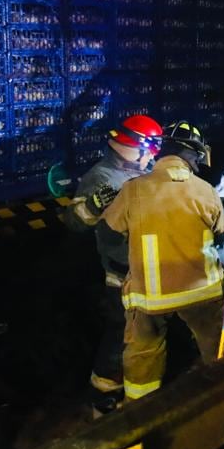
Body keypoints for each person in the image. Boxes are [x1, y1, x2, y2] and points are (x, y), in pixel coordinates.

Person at [101, 121, 224, 401]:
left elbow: (108, 236)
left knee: (143, 357)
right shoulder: (206, 190)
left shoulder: (133, 190)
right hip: (202, 294)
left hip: (149, 298)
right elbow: (221, 234)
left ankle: (140, 413)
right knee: (217, 350)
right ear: (193, 155)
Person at [62, 114, 164, 403]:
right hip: (121, 276)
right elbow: (74, 222)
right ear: (136, 148)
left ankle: (137, 390)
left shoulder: (145, 172)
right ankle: (104, 398)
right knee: (120, 337)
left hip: (148, 269)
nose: (153, 158)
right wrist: (94, 206)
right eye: (150, 151)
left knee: (145, 334)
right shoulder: (103, 177)